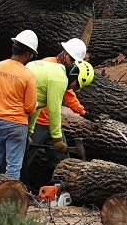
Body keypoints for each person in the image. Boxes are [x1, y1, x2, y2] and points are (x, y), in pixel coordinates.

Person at [29, 42, 95, 170]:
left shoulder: (67, 73)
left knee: (62, 159)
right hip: (38, 120)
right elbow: (53, 107)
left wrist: (83, 112)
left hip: (52, 123)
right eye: (72, 59)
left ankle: (64, 179)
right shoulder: (49, 64)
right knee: (26, 154)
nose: (73, 63)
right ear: (65, 53)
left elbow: (69, 93)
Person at [0, 30, 39, 178]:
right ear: (27, 54)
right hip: (16, 124)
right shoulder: (28, 75)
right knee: (13, 167)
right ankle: (9, 199)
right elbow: (30, 107)